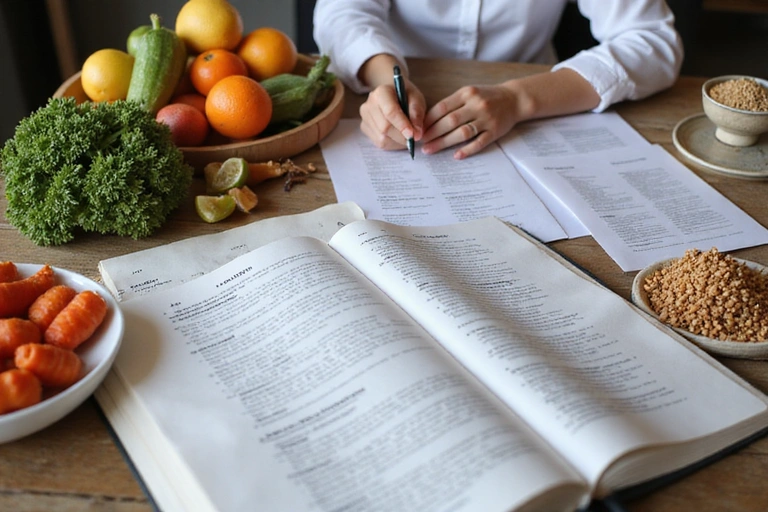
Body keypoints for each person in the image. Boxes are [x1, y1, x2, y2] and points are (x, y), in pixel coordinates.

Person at [313, 1, 684, 160]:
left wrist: (518, 98)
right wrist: (385, 78)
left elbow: (653, 40)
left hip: (543, 104)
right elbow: (341, 11)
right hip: (401, 85)